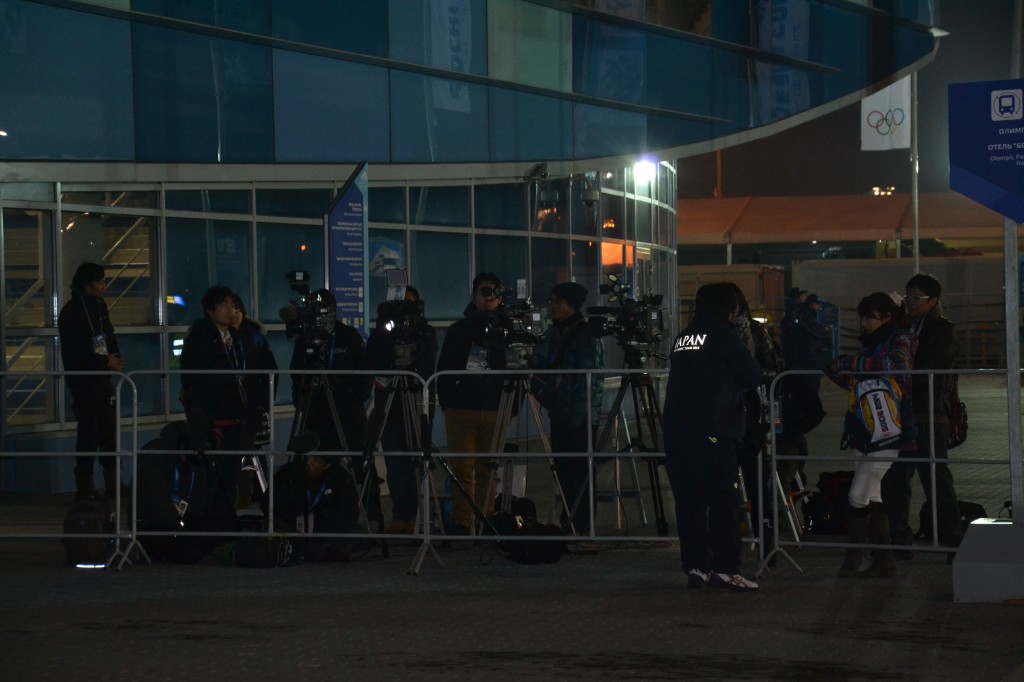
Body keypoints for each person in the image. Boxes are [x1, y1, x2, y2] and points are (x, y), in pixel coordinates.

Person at [663, 282, 763, 590]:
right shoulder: (724, 336)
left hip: (678, 432)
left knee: (689, 502)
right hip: (714, 430)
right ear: (729, 308)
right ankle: (725, 569)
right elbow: (752, 376)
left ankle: (696, 568)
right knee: (723, 500)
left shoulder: (684, 338)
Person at [825, 292, 916, 579]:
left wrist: (848, 365)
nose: (864, 323)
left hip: (889, 430)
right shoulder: (871, 345)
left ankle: (854, 560)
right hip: (866, 428)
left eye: (869, 318)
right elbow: (855, 378)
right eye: (862, 317)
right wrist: (843, 369)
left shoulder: (900, 339)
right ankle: (882, 560)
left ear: (887, 317)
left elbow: (896, 365)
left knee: (857, 494)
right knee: (871, 493)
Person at [882, 273, 962, 556]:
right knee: (894, 479)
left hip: (928, 414)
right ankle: (899, 542)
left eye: (917, 298)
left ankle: (953, 542)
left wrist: (897, 374)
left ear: (933, 302)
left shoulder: (941, 329)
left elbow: (927, 365)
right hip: (899, 413)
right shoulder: (902, 326)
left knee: (936, 480)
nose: (911, 303)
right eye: (908, 297)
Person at [436, 272, 508, 534]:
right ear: (474, 296)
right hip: (462, 409)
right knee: (463, 469)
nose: (489, 298)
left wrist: (512, 407)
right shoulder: (459, 330)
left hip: (494, 409)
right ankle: (464, 522)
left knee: (488, 469)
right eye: (484, 292)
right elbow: (444, 368)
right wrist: (448, 403)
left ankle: (485, 520)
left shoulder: (507, 330)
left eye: (494, 292)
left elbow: (518, 368)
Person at [531, 281, 604, 534]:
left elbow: (589, 381)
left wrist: (578, 416)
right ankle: (570, 521)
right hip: (560, 413)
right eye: (550, 301)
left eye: (557, 301)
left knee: (579, 475)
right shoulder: (556, 332)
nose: (551, 306)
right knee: (564, 472)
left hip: (579, 418)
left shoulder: (585, 336)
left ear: (571, 305)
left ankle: (581, 526)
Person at [364, 285, 438, 534]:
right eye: (399, 304)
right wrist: (386, 334)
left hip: (416, 400)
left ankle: (420, 515)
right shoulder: (384, 330)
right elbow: (372, 359)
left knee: (418, 458)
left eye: (408, 304)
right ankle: (401, 515)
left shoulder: (425, 331)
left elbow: (427, 365)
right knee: (395, 462)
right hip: (390, 402)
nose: (402, 310)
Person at [179, 286, 251, 525]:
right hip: (215, 418)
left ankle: (223, 524)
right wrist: (204, 421)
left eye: (232, 304)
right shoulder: (201, 339)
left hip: (235, 416)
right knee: (213, 477)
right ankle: (210, 525)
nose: (230, 310)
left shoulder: (234, 337)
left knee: (229, 476)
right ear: (210, 310)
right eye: (224, 305)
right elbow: (195, 384)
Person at [724, 282, 784, 557]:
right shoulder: (716, 335)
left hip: (752, 416)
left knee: (758, 482)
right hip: (724, 418)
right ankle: (727, 544)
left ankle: (766, 544)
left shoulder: (753, 332)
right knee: (724, 484)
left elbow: (772, 371)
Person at [58, 262, 126, 500]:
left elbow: (108, 334)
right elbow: (77, 350)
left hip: (101, 378)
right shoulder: (71, 312)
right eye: (99, 282)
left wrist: (113, 358)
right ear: (87, 285)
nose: (103, 286)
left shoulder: (98, 306)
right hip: (84, 382)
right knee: (89, 432)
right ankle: (85, 486)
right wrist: (105, 361)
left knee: (108, 431)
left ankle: (112, 483)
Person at [288, 288, 371, 475]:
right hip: (316, 409)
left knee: (358, 461)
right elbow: (296, 372)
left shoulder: (348, 336)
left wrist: (356, 395)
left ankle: (362, 498)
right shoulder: (305, 341)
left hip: (348, 410)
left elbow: (364, 371)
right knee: (317, 461)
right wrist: (300, 401)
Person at [229, 293, 278, 507]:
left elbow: (270, 371)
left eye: (238, 309)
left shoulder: (254, 337)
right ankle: (241, 491)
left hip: (252, 404)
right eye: (229, 309)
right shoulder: (216, 338)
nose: (234, 314)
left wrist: (264, 401)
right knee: (235, 449)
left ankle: (257, 492)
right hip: (228, 405)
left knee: (253, 449)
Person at [268, 453, 362, 561]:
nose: (309, 463)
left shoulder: (339, 477)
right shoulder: (290, 473)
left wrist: (326, 515)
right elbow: (271, 505)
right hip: (295, 526)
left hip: (325, 528)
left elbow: (350, 514)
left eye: (315, 460)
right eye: (307, 458)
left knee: (357, 535)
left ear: (327, 465)